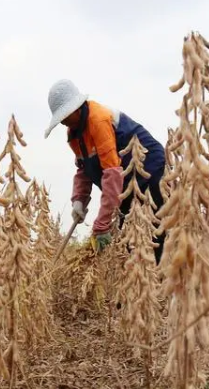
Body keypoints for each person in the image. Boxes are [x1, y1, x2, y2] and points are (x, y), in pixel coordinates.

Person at [44, 79, 167, 265]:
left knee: (156, 234)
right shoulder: (73, 134)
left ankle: (160, 286)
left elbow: (112, 173)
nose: (63, 122)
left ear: (76, 109)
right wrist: (79, 200)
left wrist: (102, 223)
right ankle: (136, 285)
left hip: (149, 172)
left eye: (65, 116)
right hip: (123, 183)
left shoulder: (98, 120)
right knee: (125, 240)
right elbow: (83, 169)